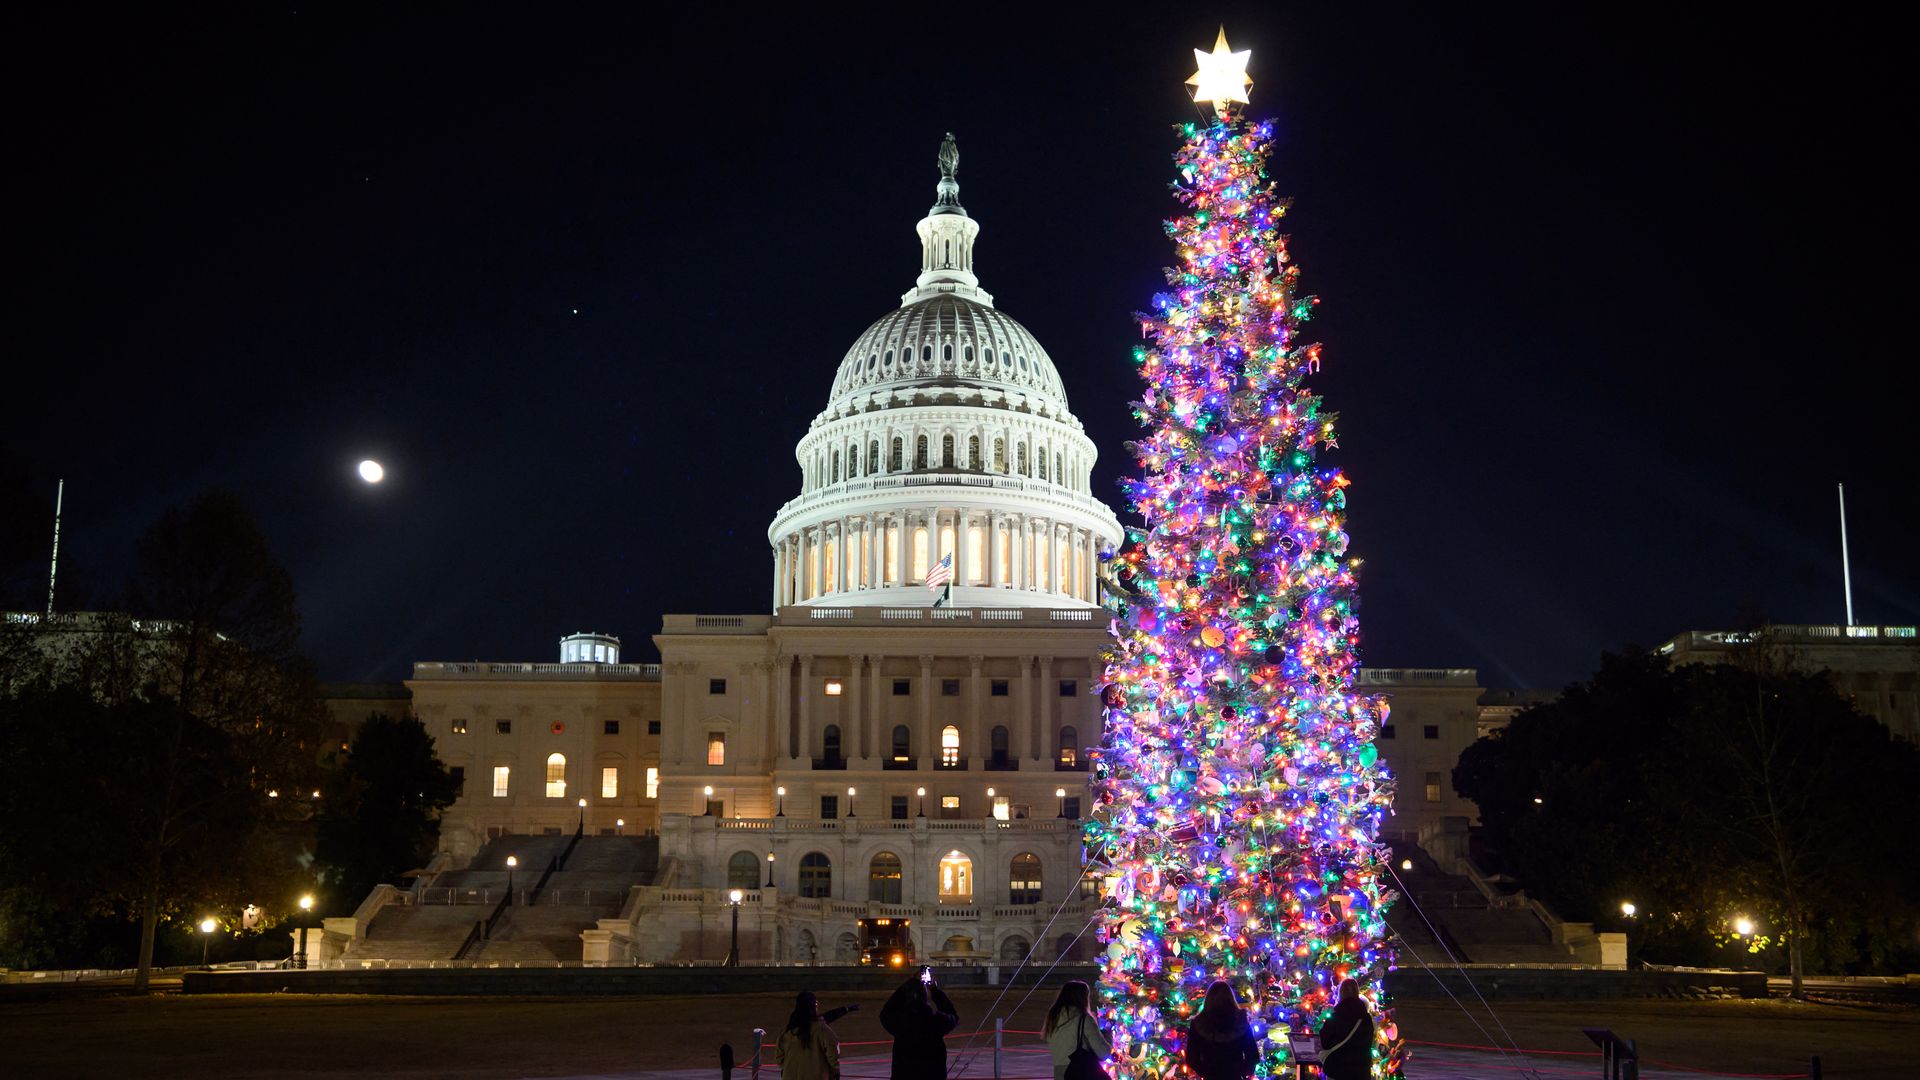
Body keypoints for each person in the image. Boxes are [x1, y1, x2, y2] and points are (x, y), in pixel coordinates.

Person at [879, 968, 959, 1079]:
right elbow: (953, 1016)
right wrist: (935, 990)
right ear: (924, 995)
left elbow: (886, 1012)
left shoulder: (900, 1021)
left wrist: (906, 986)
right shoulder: (935, 1020)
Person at [1184, 980, 1259, 1080]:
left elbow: (1192, 1058)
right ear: (1230, 998)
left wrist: (1204, 1072)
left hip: (1210, 1075)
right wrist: (1244, 1071)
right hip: (1235, 1075)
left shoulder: (1199, 1023)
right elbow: (1252, 1053)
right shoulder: (1240, 1021)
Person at [1044, 979, 1111, 1080]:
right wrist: (1108, 1034)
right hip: (1081, 1072)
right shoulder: (1083, 1018)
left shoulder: (1053, 1018)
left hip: (1060, 1073)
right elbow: (1103, 1052)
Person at [1316, 979, 1374, 1080]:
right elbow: (1368, 1042)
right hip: (1361, 1071)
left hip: (1338, 1069)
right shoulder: (1366, 1018)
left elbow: (1325, 1042)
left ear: (1341, 993)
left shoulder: (1336, 1016)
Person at [776, 991, 842, 1080]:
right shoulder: (823, 1030)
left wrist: (790, 1067)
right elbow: (833, 1056)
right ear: (814, 1006)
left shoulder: (787, 1031)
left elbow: (779, 1058)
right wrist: (834, 1073)